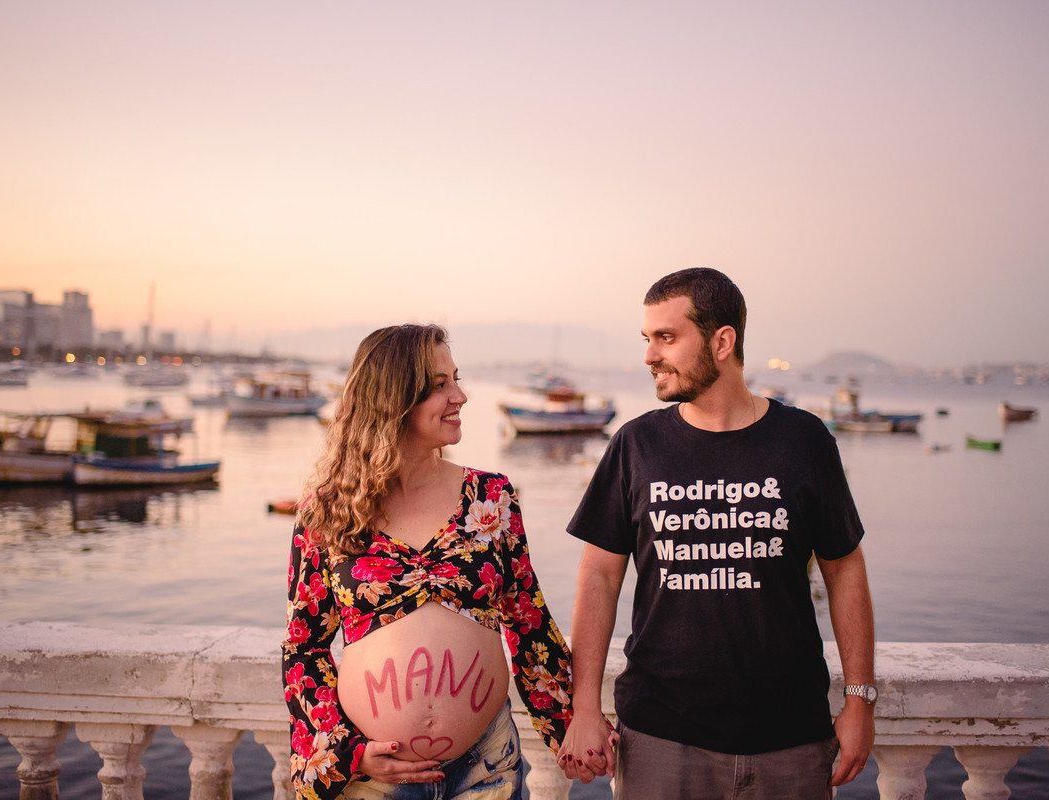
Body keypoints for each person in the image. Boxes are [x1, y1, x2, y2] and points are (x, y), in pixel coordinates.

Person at [557, 268, 876, 798]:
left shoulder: (804, 440)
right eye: (647, 339)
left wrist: (860, 700)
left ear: (722, 341)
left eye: (666, 337)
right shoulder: (635, 446)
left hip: (792, 736)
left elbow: (844, 569)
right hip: (661, 737)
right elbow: (598, 580)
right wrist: (584, 706)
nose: (649, 356)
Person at [282, 323, 573, 800]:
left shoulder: (491, 498)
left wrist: (570, 726)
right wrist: (347, 752)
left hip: (487, 767)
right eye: (440, 385)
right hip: (374, 777)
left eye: (455, 378)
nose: (460, 395)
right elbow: (304, 649)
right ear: (393, 398)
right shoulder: (328, 509)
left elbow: (529, 623)